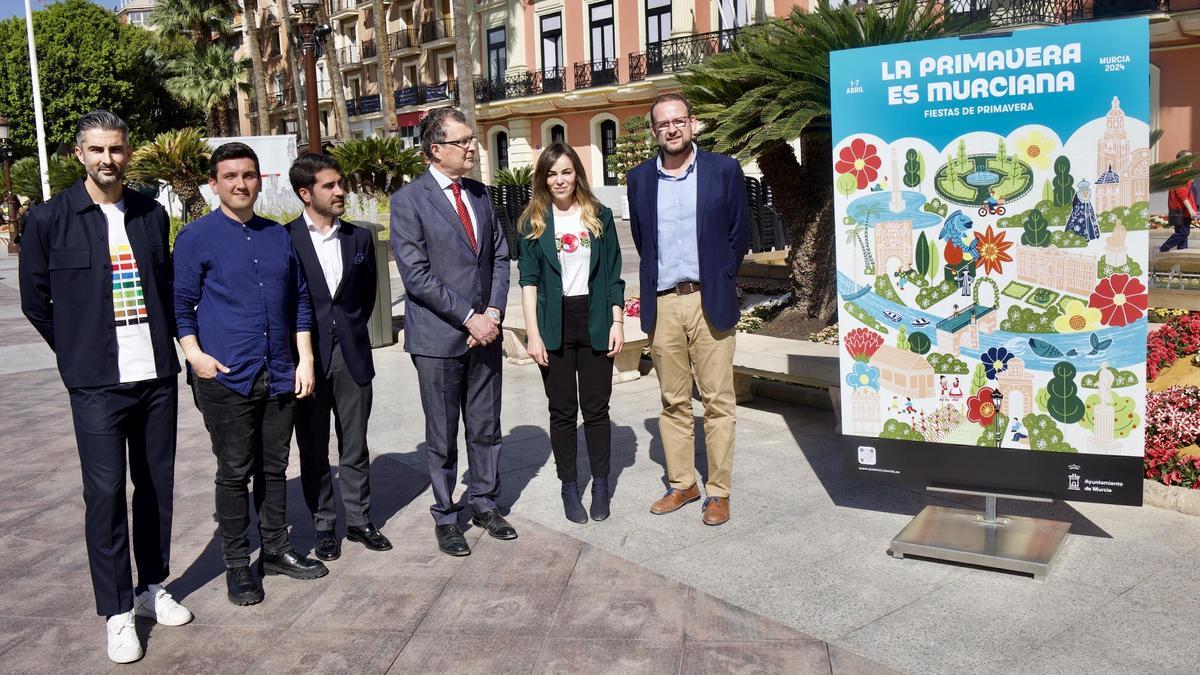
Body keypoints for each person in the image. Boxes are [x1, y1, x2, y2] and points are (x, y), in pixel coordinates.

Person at [19, 111, 192, 664]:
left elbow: (164, 288)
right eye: (96, 150)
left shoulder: (149, 213)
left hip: (156, 376)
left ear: (128, 152)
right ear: (79, 154)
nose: (107, 159)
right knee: (104, 495)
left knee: (155, 487)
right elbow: (35, 301)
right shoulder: (49, 220)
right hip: (95, 383)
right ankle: (118, 611)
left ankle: (152, 588)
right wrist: (76, 351)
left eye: (116, 149)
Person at [174, 142, 327, 607]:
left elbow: (300, 300)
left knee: (275, 467)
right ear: (214, 183)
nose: (241, 184)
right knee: (234, 472)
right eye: (230, 177)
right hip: (225, 375)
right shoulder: (195, 237)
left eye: (249, 175)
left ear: (261, 180)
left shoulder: (278, 236)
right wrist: (196, 356)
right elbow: (180, 305)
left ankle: (276, 550)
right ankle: (238, 564)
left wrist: (305, 359)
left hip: (279, 372)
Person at [390, 107, 516, 556]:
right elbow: (417, 275)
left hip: (486, 334)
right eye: (462, 141)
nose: (471, 147)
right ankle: (446, 516)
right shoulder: (408, 201)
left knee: (486, 426)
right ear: (435, 149)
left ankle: (484, 502)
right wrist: (469, 317)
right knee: (442, 432)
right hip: (440, 339)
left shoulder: (480, 194)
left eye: (471, 139)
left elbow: (500, 256)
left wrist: (494, 313)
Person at [627, 92, 749, 526]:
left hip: (708, 299)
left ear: (692, 124)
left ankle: (718, 492)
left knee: (717, 400)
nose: (672, 129)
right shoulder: (639, 179)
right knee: (673, 401)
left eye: (679, 121)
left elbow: (740, 235)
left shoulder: (723, 170)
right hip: (663, 305)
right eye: (663, 124)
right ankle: (683, 483)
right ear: (655, 131)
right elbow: (645, 243)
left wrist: (719, 276)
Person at [285, 153, 391, 560]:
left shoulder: (359, 238)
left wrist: (347, 332)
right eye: (329, 185)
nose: (340, 190)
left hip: (352, 355)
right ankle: (324, 525)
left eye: (340, 183)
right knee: (313, 448)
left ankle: (361, 521)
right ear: (305, 193)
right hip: (307, 361)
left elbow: (365, 299)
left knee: (355, 444)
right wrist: (302, 354)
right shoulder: (286, 239)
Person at [517, 143, 625, 524]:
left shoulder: (600, 216)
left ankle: (600, 485)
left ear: (577, 172)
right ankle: (569, 486)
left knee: (597, 410)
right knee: (562, 412)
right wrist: (533, 333)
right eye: (551, 173)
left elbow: (613, 275)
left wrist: (617, 322)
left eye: (565, 171)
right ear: (543, 179)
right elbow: (528, 281)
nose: (559, 180)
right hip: (554, 324)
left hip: (594, 318)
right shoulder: (533, 221)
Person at [1161, 150, 1197, 252]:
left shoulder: (1185, 173)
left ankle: (1181, 254)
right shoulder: (1178, 173)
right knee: (1183, 233)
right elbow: (1181, 194)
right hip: (1180, 209)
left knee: (1183, 236)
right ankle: (1163, 248)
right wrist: (1190, 209)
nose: (1191, 160)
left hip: (1184, 209)